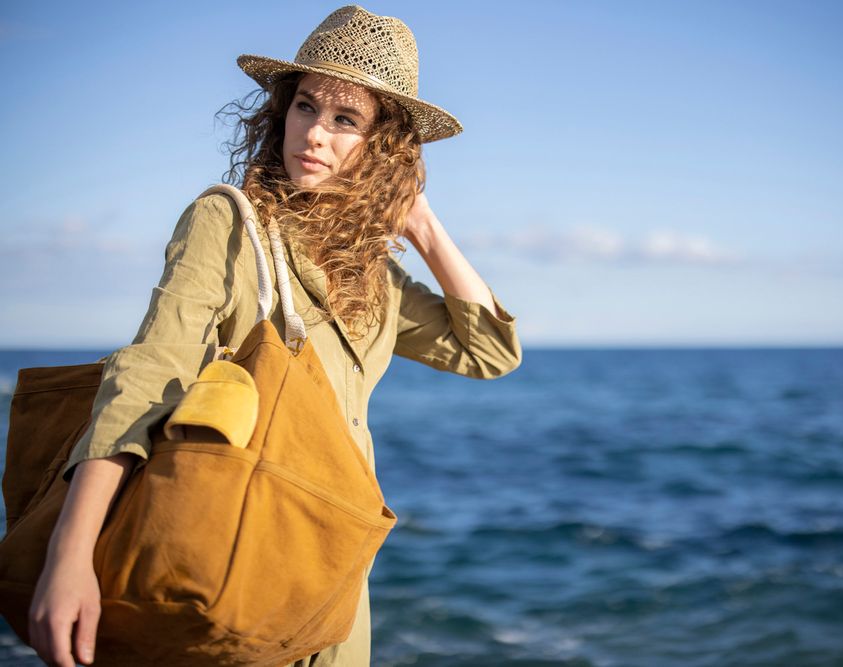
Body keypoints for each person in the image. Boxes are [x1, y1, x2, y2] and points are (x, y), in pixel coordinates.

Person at [25, 5, 522, 667]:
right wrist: (70, 554)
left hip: (334, 577)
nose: (315, 133)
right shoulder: (228, 224)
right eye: (306, 107)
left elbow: (487, 350)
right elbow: (145, 379)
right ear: (281, 111)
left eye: (347, 120)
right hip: (233, 551)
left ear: (383, 146)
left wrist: (425, 228)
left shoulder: (367, 271)